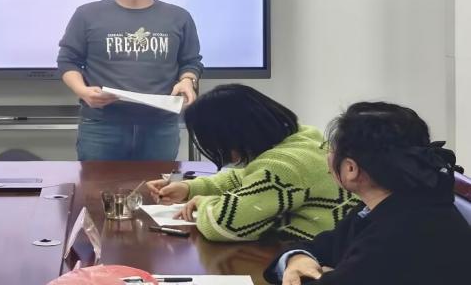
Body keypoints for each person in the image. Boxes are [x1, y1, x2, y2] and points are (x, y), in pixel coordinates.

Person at [265, 101, 471, 285]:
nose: (327, 157)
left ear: (351, 169)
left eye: (331, 149)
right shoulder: (390, 205)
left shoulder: (400, 232)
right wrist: (297, 258)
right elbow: (326, 245)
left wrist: (325, 274)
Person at [146, 85, 358, 241]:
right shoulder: (304, 137)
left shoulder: (283, 166)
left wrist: (203, 202)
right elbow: (247, 177)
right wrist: (190, 188)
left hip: (320, 258)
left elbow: (222, 225)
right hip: (337, 245)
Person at [57, 0, 203, 161]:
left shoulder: (178, 17)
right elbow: (68, 61)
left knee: (156, 182)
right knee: (97, 183)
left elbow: (190, 61)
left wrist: (187, 81)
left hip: (160, 124)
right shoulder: (87, 14)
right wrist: (83, 91)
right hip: (102, 124)